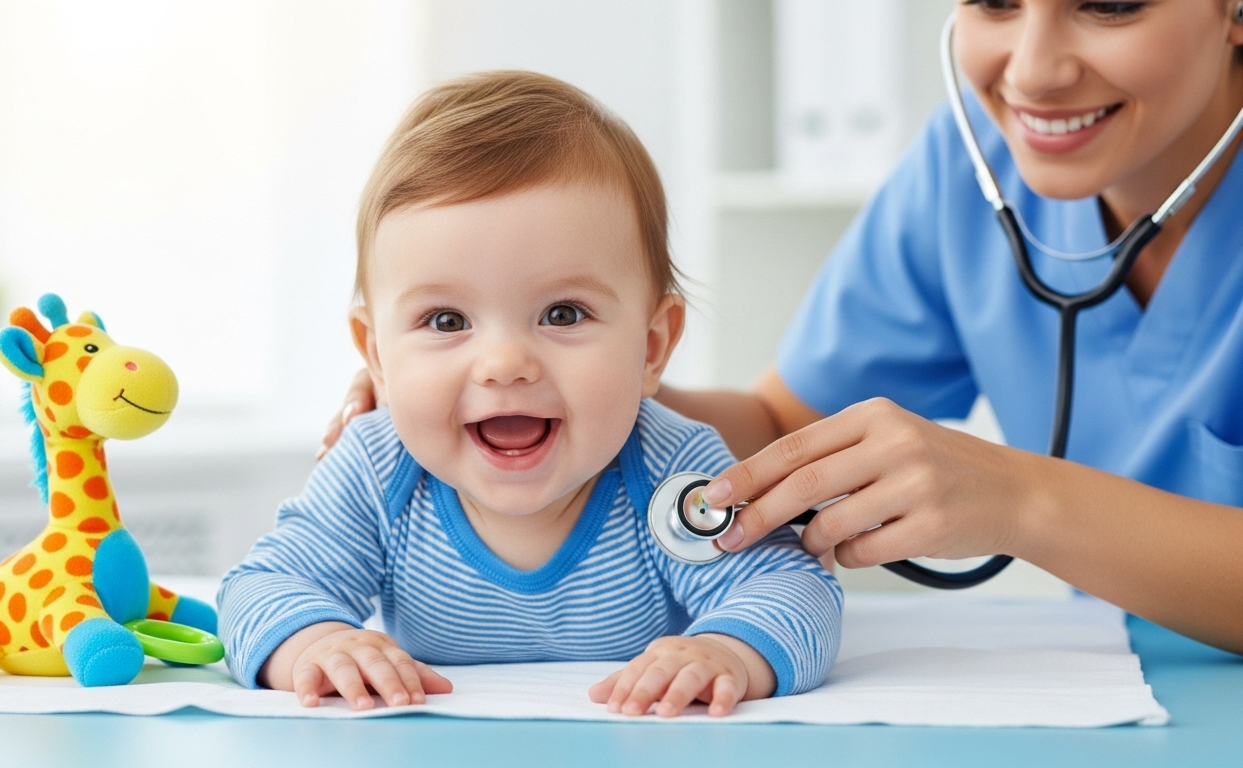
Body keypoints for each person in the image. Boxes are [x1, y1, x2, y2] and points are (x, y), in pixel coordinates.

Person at [324, 1, 1243, 655]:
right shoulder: (972, 166)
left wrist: (1023, 501)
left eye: (1111, 5)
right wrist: (565, 382)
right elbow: (778, 430)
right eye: (994, 2)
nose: (1035, 69)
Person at [219, 71, 843, 717]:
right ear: (377, 354)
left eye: (564, 314)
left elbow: (794, 590)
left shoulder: (669, 467)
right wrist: (315, 643)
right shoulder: (379, 469)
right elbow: (259, 588)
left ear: (652, 346)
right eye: (446, 321)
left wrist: (727, 652)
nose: (504, 364)